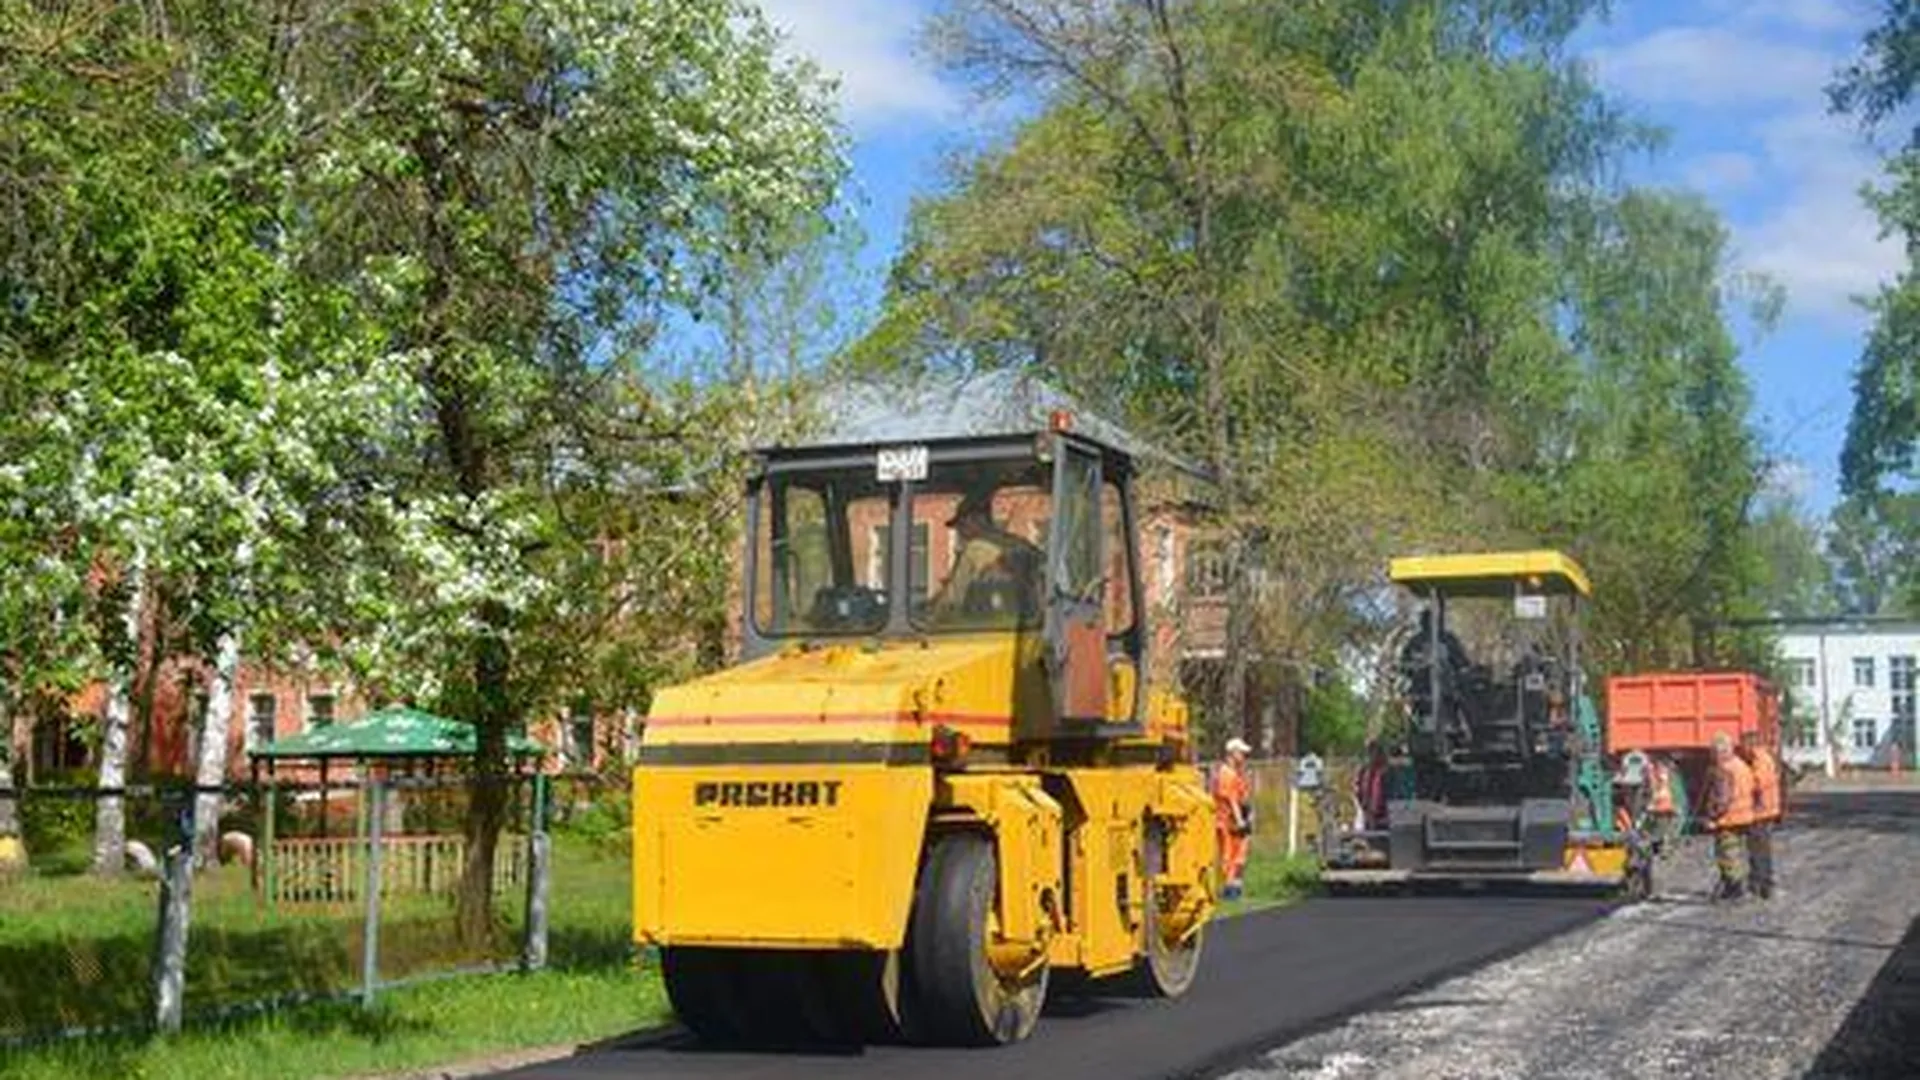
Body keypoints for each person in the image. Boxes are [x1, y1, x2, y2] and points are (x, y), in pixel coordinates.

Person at [924, 486, 1043, 622]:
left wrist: (931, 617)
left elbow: (953, 600)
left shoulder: (975, 549)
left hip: (986, 623)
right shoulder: (1020, 543)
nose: (960, 532)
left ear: (976, 518)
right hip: (1025, 621)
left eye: (962, 524)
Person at [1705, 732, 1756, 903]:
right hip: (1744, 816)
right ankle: (1733, 887)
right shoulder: (1741, 766)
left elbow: (1722, 799)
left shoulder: (1725, 771)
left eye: (1714, 753)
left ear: (1722, 752)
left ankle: (1735, 890)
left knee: (1727, 855)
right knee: (1736, 853)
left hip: (1729, 818)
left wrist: (1712, 817)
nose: (1712, 757)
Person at [1743, 733, 1782, 900]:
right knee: (1764, 849)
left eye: (1743, 745)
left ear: (1751, 744)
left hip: (1760, 812)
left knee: (1758, 850)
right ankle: (1765, 884)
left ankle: (1760, 885)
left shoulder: (1759, 760)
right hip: (1768, 810)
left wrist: (1744, 780)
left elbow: (1757, 784)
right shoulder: (1766, 757)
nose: (1743, 749)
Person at [1214, 738, 1253, 899]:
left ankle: (1234, 886)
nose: (1244, 756)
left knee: (1239, 855)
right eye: (1241, 753)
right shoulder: (1226, 773)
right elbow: (1230, 799)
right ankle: (1227, 888)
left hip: (1235, 819)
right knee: (1228, 855)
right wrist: (1239, 821)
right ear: (1233, 753)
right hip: (1227, 821)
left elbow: (1241, 796)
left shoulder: (1236, 773)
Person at [1354, 740, 1390, 832]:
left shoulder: (1386, 772)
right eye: (1370, 753)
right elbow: (1359, 789)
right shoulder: (1365, 771)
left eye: (1374, 753)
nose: (1371, 756)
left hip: (1384, 814)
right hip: (1369, 813)